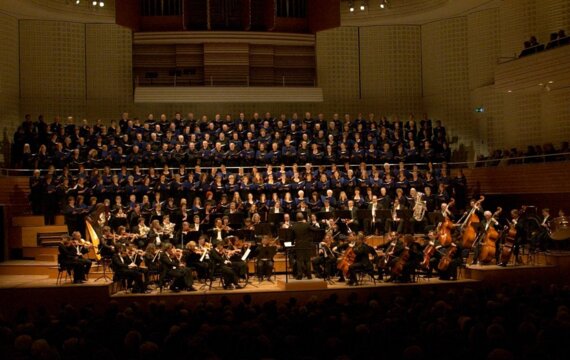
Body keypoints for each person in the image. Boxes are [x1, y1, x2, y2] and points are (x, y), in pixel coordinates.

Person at [289, 212, 316, 280]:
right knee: (307, 260)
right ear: (303, 218)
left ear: (296, 218)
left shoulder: (294, 226)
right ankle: (309, 275)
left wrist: (291, 244)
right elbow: (314, 230)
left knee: (299, 261)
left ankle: (300, 275)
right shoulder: (307, 225)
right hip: (307, 245)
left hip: (298, 245)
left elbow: (291, 238)